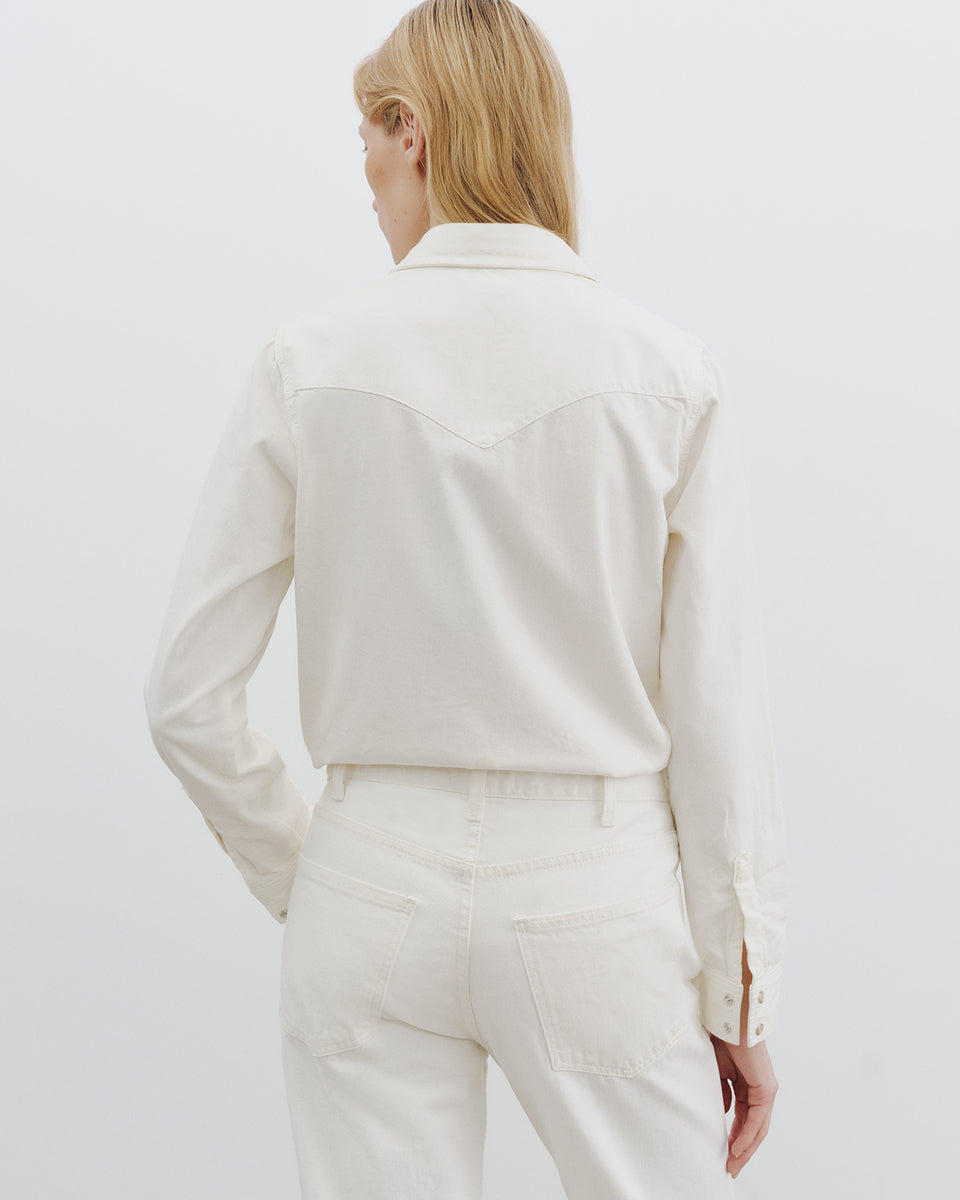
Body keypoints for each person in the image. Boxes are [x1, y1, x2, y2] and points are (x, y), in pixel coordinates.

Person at [143, 1, 788, 1196]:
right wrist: (739, 990)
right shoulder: (666, 375)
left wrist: (315, 872)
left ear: (416, 130)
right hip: (597, 892)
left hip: (367, 879)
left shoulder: (308, 363)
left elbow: (186, 696)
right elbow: (715, 719)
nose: (366, 179)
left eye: (368, 141)